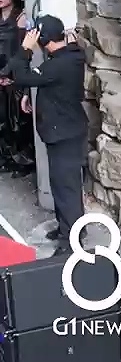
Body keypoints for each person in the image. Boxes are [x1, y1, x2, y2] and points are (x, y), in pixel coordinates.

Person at [2, 16, 89, 254]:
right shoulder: (66, 56)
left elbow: (24, 75)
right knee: (63, 185)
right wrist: (29, 93)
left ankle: (71, 244)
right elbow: (43, 80)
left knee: (66, 189)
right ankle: (68, 228)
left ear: (45, 40)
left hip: (65, 135)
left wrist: (24, 50)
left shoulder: (58, 64)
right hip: (64, 132)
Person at [0, 0, 31, 176]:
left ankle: (21, 161)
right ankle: (5, 157)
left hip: (13, 73)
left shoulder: (20, 17)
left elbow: (22, 50)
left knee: (16, 121)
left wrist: (9, 73)